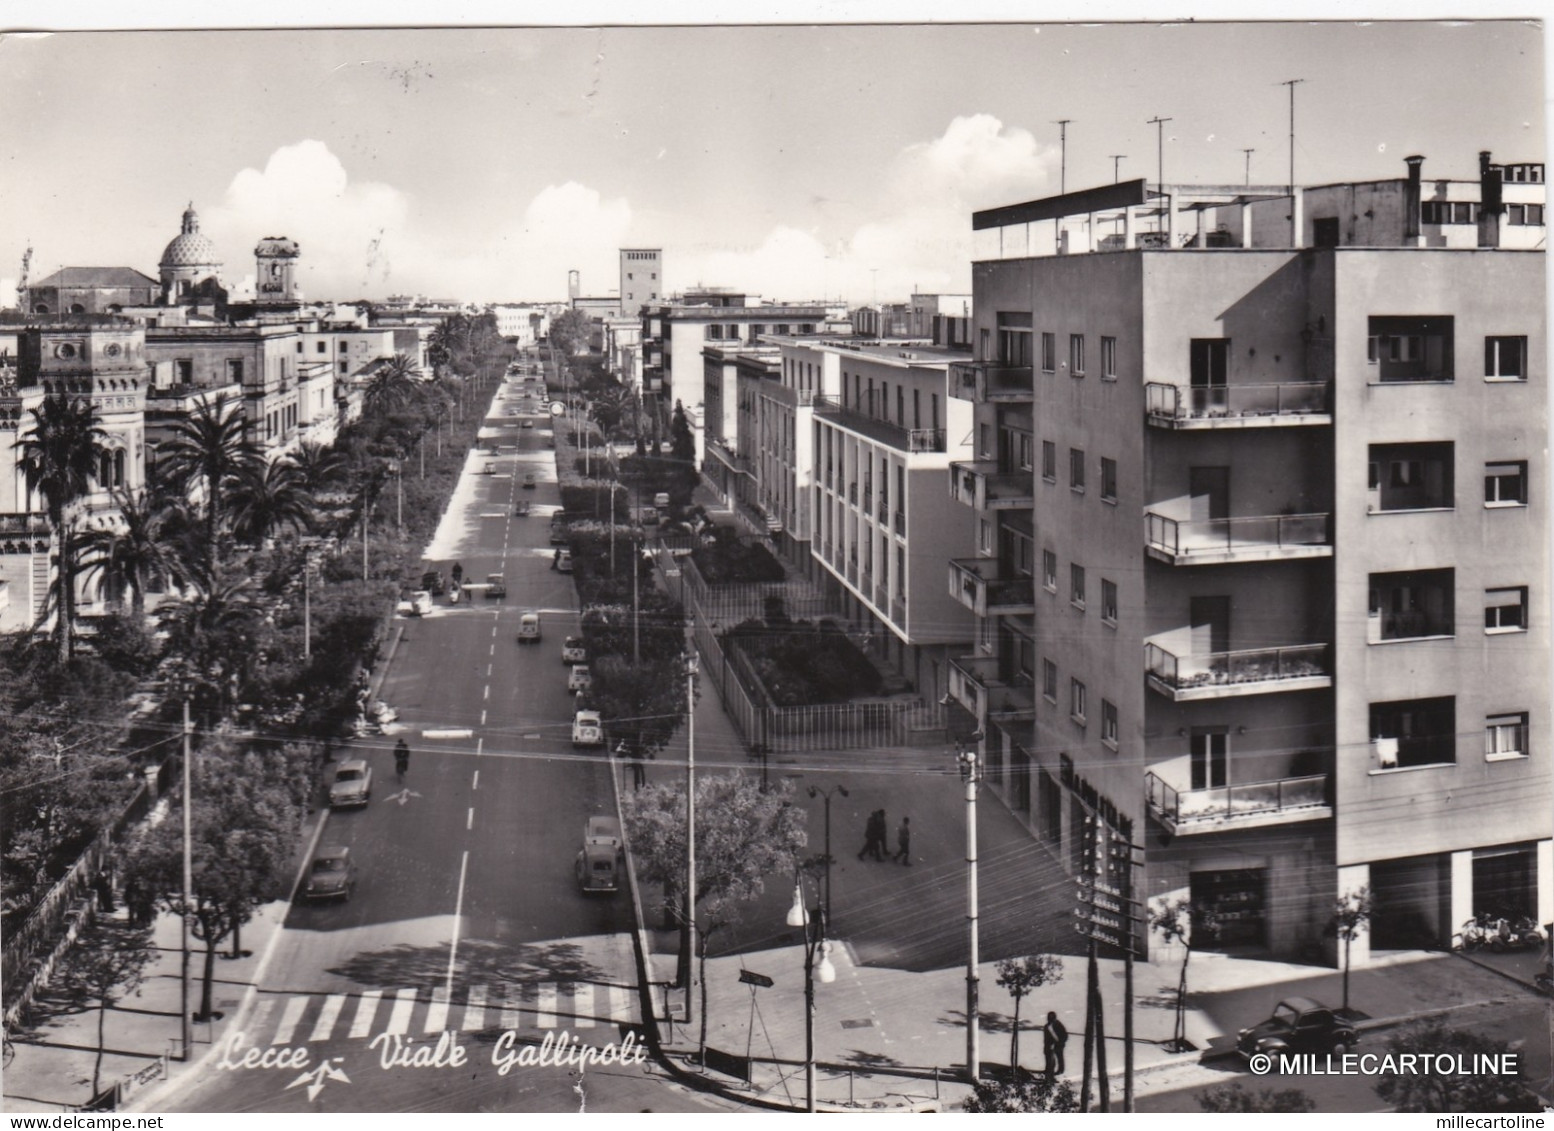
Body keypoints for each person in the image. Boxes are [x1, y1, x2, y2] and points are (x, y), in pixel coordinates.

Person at [1043, 1011, 1068, 1081]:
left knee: (1059, 1057)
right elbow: (1046, 1038)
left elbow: (1064, 1035)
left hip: (1059, 1044)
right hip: (1050, 1045)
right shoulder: (1047, 1027)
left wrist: (1060, 1042)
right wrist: (1047, 1046)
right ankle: (1049, 1071)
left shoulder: (1058, 1025)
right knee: (1050, 1059)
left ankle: (1060, 1070)